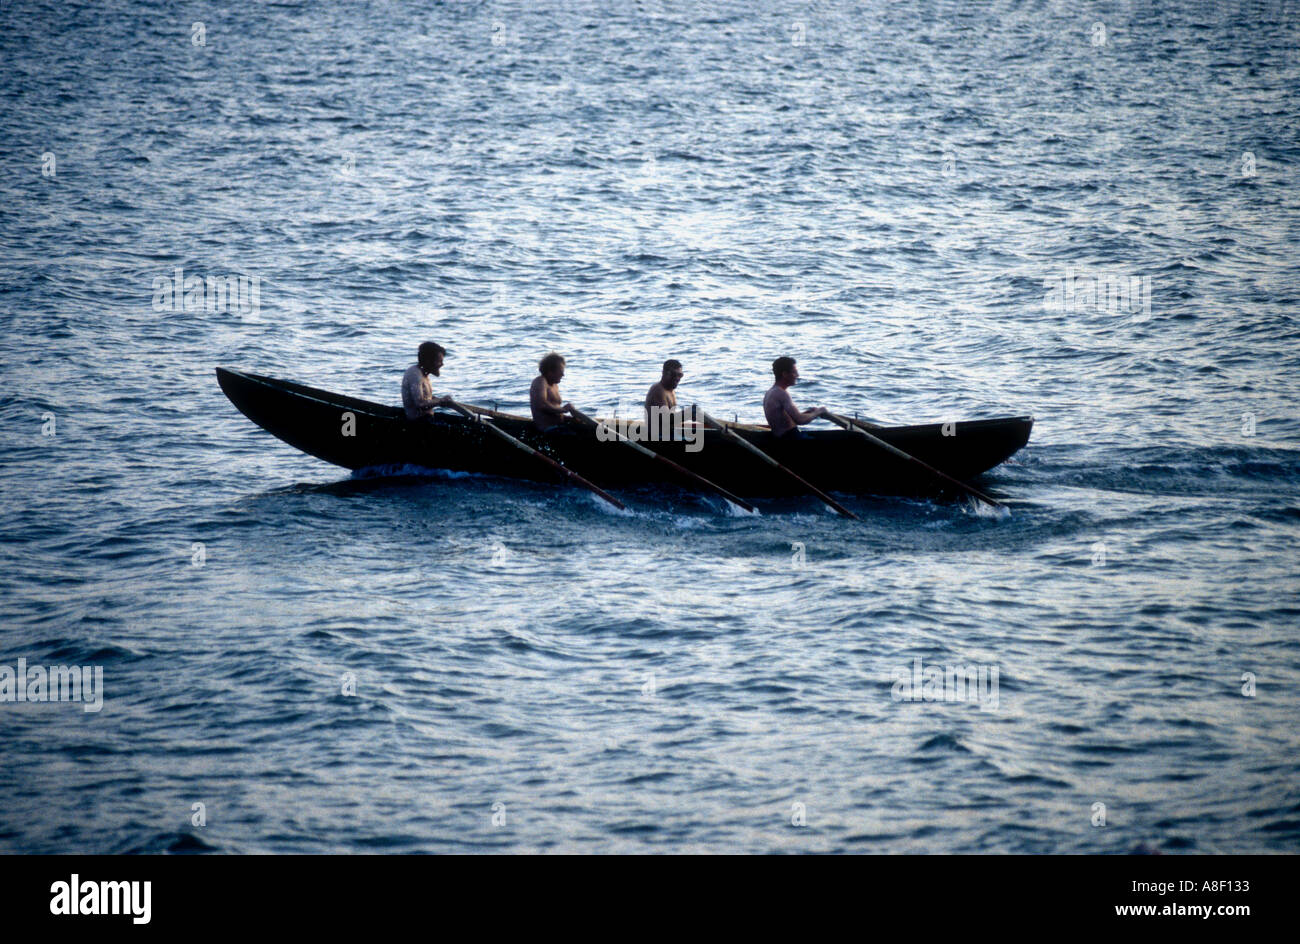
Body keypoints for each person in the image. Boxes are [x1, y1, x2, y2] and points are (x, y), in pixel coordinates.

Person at [763, 356, 827, 439]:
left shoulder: (771, 392)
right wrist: (818, 412)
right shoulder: (781, 393)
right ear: (785, 374)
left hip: (784, 438)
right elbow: (800, 420)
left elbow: (785, 421)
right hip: (791, 439)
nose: (797, 375)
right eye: (794, 372)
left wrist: (809, 413)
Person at [402, 342, 452, 420]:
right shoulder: (415, 374)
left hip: (427, 419)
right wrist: (440, 401)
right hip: (418, 422)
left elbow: (426, 398)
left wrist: (441, 400)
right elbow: (420, 404)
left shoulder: (423, 374)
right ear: (428, 361)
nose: (442, 364)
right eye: (439, 361)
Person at [530, 352, 575, 432]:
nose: (563, 374)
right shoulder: (540, 381)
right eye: (561, 371)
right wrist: (563, 409)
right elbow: (542, 405)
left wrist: (570, 418)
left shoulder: (554, 385)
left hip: (560, 427)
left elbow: (554, 411)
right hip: (548, 430)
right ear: (550, 371)